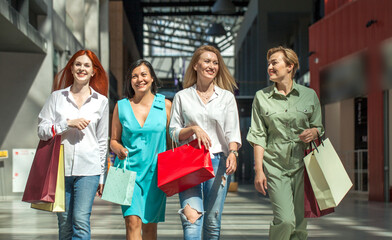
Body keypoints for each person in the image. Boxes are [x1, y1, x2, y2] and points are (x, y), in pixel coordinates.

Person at [246, 46, 324, 240]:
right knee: (285, 220)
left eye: (274, 62)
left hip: (303, 165)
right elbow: (258, 135)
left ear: (290, 66)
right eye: (269, 64)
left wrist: (314, 132)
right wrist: (259, 170)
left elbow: (318, 127)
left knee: (299, 224)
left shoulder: (309, 95)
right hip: (275, 166)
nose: (269, 67)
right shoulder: (261, 97)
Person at [169, 45, 242, 239]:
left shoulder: (226, 98)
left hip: (218, 162)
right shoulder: (182, 97)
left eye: (215, 62)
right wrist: (193, 129)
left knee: (212, 223)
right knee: (191, 221)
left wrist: (233, 153)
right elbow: (173, 131)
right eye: (207, 61)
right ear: (195, 65)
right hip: (188, 163)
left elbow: (232, 132)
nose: (212, 66)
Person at [38, 49, 109, 239]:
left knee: (80, 220)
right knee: (64, 223)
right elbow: (42, 130)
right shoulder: (56, 98)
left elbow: (103, 141)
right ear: (71, 68)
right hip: (60, 168)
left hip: (89, 170)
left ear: (94, 71)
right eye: (78, 64)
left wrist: (102, 176)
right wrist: (66, 123)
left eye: (87, 65)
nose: (82, 69)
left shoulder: (101, 101)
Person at [110, 59, 171, 240]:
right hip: (127, 172)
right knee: (132, 222)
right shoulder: (121, 106)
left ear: (152, 78)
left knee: (150, 227)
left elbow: (171, 141)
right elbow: (113, 140)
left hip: (155, 174)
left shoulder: (166, 105)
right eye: (134, 76)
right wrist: (119, 149)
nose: (139, 79)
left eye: (144, 74)